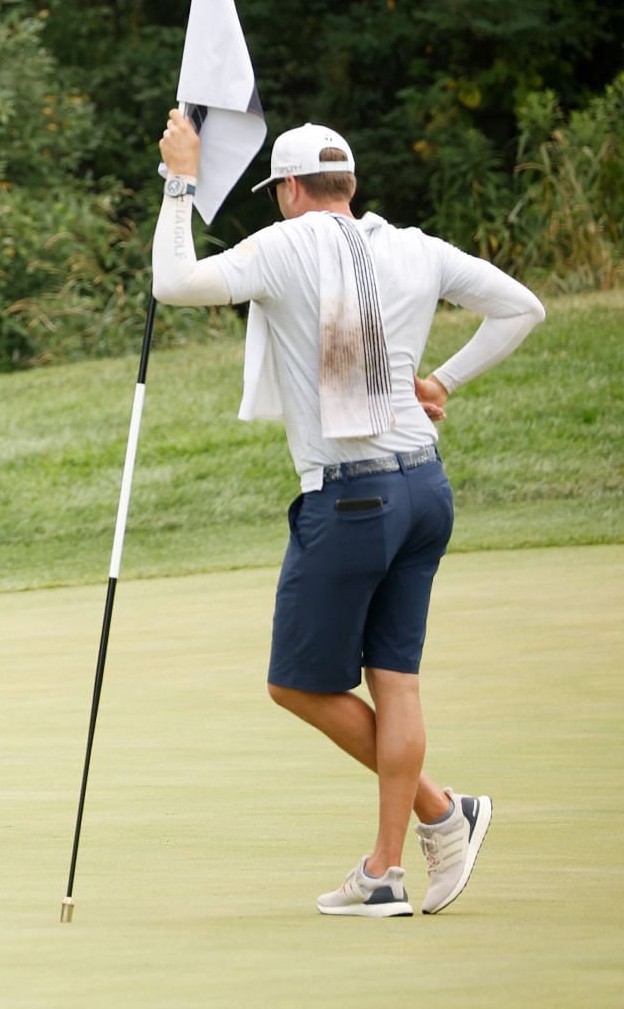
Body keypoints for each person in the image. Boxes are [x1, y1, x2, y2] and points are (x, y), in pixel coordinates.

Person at [149, 110, 543, 916]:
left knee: (296, 684)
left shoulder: (288, 244)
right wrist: (444, 382)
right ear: (351, 185)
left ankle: (438, 812)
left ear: (290, 190)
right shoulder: (414, 246)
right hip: (427, 489)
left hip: (353, 495)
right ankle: (387, 871)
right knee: (395, 680)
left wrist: (179, 179)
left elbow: (173, 282)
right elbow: (522, 308)